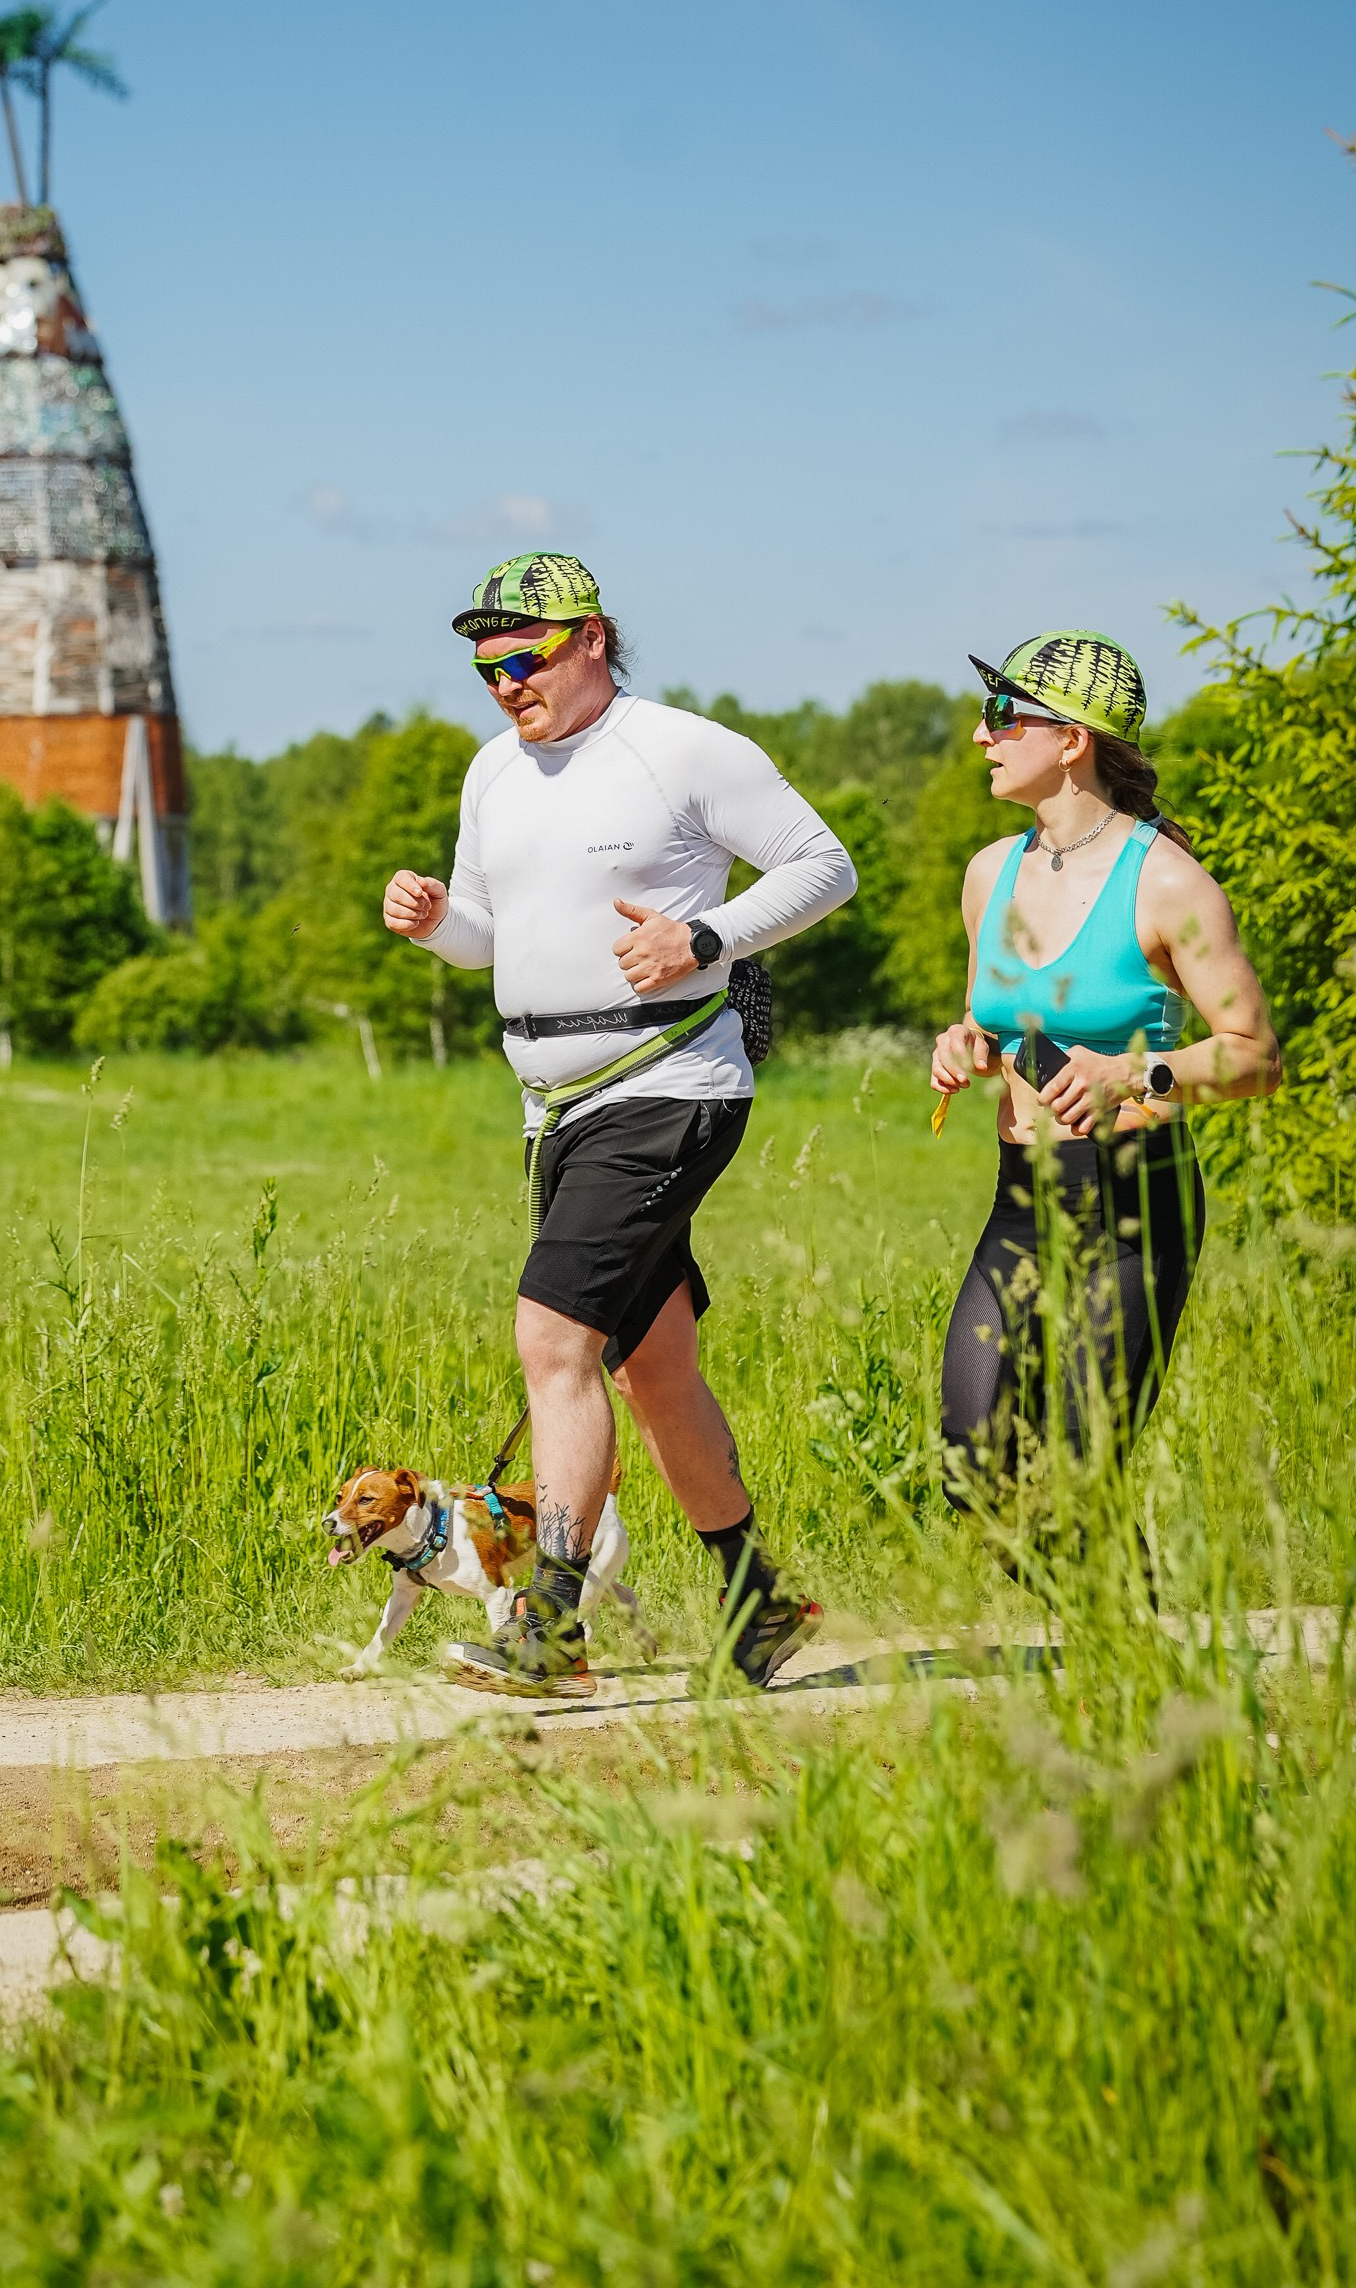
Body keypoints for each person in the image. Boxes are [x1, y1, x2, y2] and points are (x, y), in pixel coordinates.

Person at [381, 552, 858, 1695]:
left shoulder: (679, 749)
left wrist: (707, 941)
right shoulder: (491, 769)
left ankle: (549, 1626)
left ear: (591, 638)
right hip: (556, 1107)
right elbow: (488, 936)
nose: (501, 682)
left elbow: (824, 865)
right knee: (649, 1371)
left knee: (552, 1340)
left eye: (522, 657)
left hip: (669, 1084)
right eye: (482, 664)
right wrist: (437, 920)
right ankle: (760, 1606)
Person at [929, 631, 1280, 1517]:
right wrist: (962, 1043)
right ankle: (1133, 1622)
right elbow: (991, 1018)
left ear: (1072, 740)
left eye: (1004, 715)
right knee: (976, 1468)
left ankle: (1137, 1644)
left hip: (1131, 1200)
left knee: (1075, 1485)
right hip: (1021, 1199)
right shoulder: (987, 875)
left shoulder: (1169, 885)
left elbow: (1253, 1054)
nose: (982, 735)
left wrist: (1136, 1073)